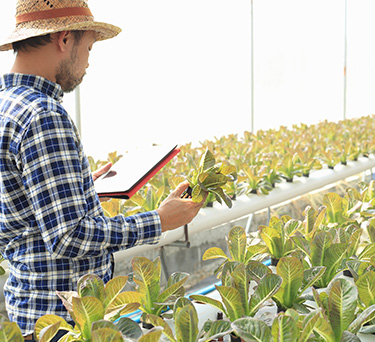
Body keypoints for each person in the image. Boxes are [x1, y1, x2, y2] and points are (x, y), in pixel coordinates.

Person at [0, 0, 204, 340]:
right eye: (89, 47)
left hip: (30, 312)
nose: (89, 61)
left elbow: (15, 207)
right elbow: (69, 237)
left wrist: (78, 189)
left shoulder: (7, 104)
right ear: (64, 40)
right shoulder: (44, 115)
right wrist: (159, 221)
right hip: (66, 323)